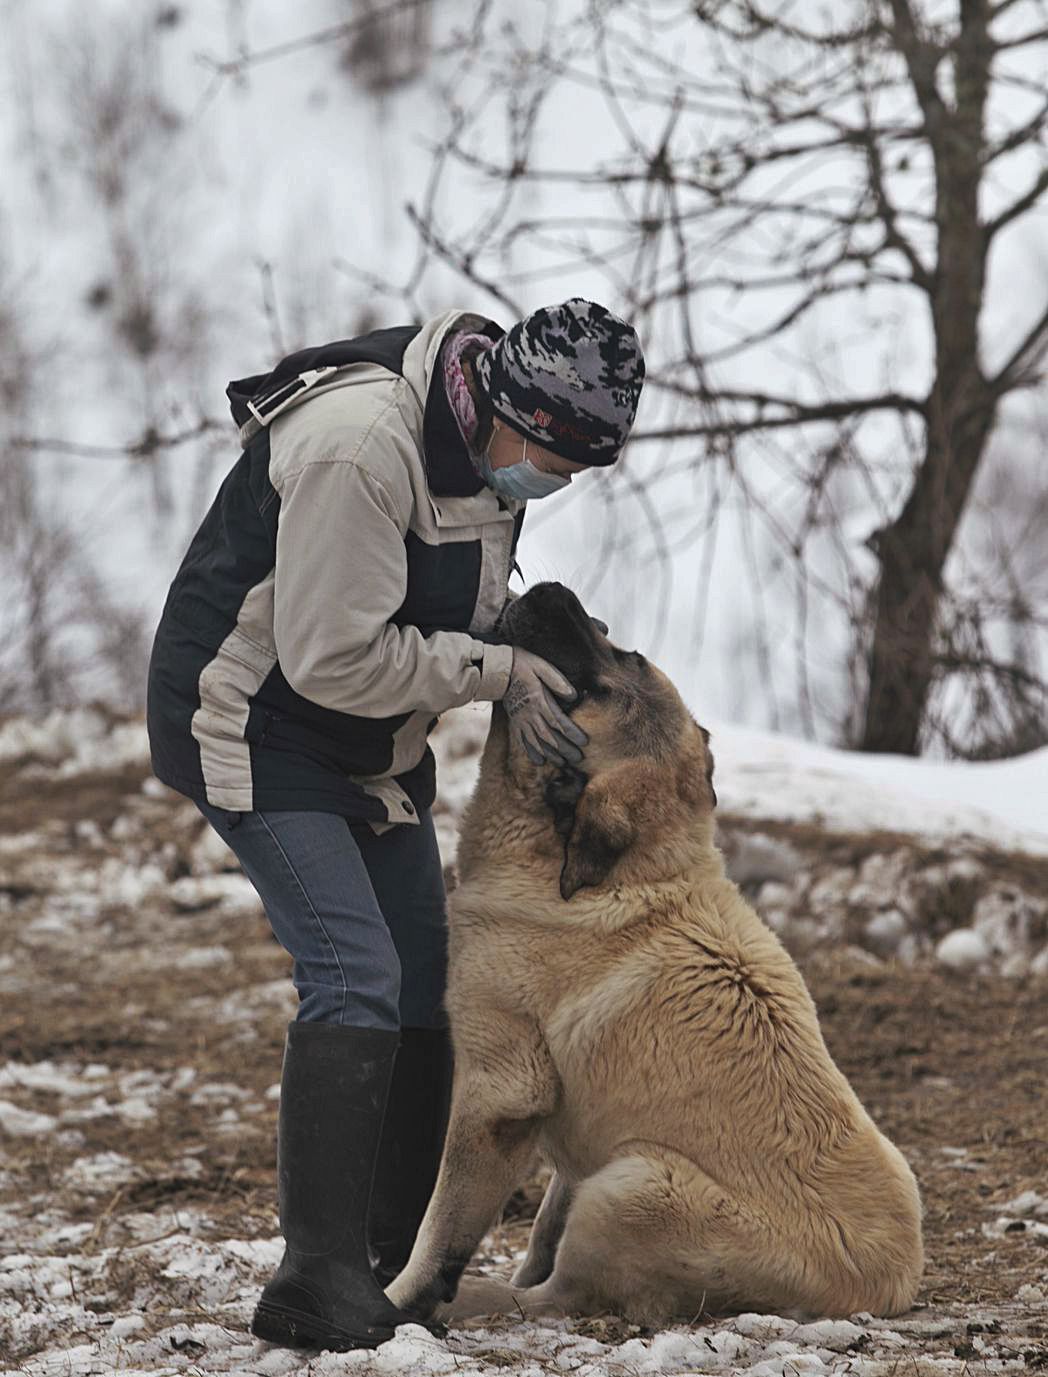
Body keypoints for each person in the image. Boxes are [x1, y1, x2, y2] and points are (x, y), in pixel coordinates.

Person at [145, 298, 645, 1352]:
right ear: (507, 406)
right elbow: (331, 657)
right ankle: (314, 1279)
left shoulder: (485, 443)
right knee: (353, 971)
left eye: (575, 469)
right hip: (254, 722)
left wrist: (531, 651)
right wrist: (500, 675)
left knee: (427, 975)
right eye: (550, 458)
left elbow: (440, 605)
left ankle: (394, 1259)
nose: (551, 484)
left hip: (370, 743)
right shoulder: (359, 451)